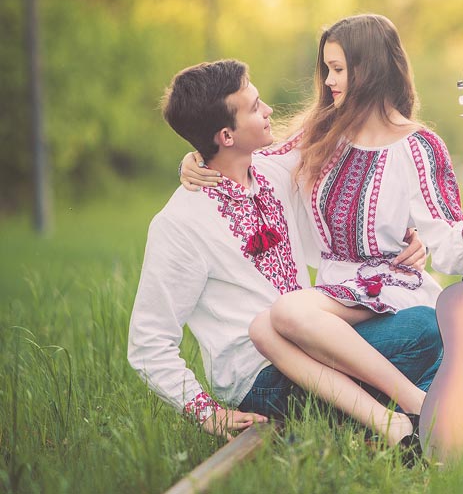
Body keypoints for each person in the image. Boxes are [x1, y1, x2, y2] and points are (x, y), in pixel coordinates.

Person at [179, 14, 463, 431]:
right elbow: (250, 163)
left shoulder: (419, 146)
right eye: (326, 69)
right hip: (334, 297)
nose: (328, 81)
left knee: (285, 313)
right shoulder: (321, 132)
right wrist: (195, 158)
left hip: (392, 290)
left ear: (368, 70)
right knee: (268, 324)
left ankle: (414, 405)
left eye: (337, 69)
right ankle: (406, 415)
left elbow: (445, 239)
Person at [129, 59, 440, 446]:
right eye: (255, 106)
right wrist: (207, 413)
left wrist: (409, 237)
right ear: (226, 135)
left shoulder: (276, 172)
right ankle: (406, 422)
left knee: (432, 327)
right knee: (427, 334)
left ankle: (371, 430)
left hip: (317, 337)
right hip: (261, 376)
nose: (268, 111)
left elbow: (347, 156)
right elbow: (148, 341)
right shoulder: (179, 223)